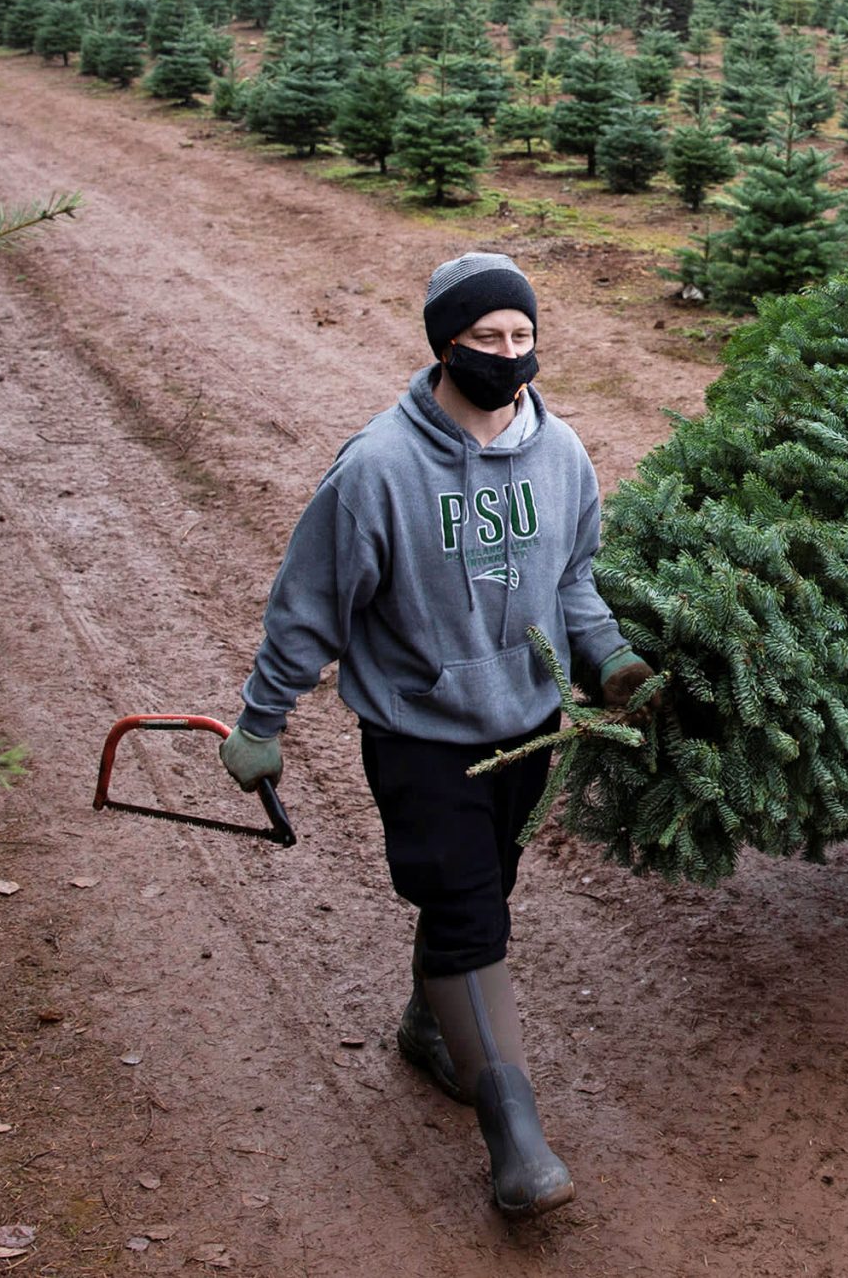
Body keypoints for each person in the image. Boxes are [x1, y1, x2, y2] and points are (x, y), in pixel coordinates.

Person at [221, 252, 652, 1218]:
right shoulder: (379, 468)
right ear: (446, 344)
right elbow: (309, 606)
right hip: (420, 732)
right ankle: (516, 1139)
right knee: (466, 910)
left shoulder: (562, 454)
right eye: (488, 336)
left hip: (528, 724)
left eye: (523, 335)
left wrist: (610, 659)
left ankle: (430, 1023)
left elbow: (574, 579)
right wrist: (261, 719)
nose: (509, 353)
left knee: (485, 888)